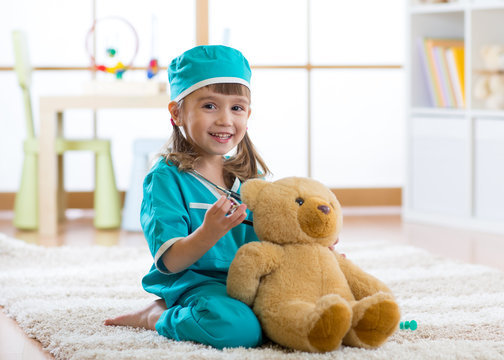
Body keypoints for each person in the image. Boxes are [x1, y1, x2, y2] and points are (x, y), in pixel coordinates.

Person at [104, 45, 270, 349]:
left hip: (250, 284)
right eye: (209, 106)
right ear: (177, 112)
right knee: (238, 329)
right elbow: (170, 260)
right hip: (198, 285)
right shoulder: (165, 179)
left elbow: (273, 236)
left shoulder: (251, 178)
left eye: (236, 108)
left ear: (248, 113)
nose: (225, 120)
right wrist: (209, 232)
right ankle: (157, 317)